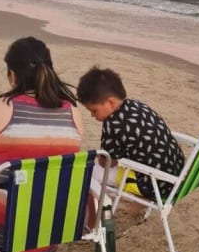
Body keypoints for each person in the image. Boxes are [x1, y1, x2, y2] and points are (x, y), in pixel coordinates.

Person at [0, 37, 84, 252]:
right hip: (55, 214)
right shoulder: (73, 112)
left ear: (12, 75)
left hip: (9, 217)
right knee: (50, 184)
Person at [76, 66, 185, 202]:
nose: (92, 116)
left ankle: (101, 207)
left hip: (155, 185)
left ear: (111, 102)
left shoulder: (112, 123)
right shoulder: (137, 105)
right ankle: (136, 205)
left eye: (94, 110)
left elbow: (107, 164)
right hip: (177, 172)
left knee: (91, 171)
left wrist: (101, 157)